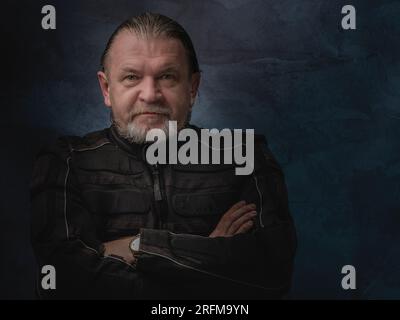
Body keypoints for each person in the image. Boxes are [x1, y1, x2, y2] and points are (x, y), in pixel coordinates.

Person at [30, 12, 297, 299]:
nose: (150, 94)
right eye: (132, 77)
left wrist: (139, 246)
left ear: (192, 87)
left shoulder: (245, 157)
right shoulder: (66, 161)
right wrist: (207, 256)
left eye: (167, 76)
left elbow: (272, 276)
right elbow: (65, 282)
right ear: (107, 89)